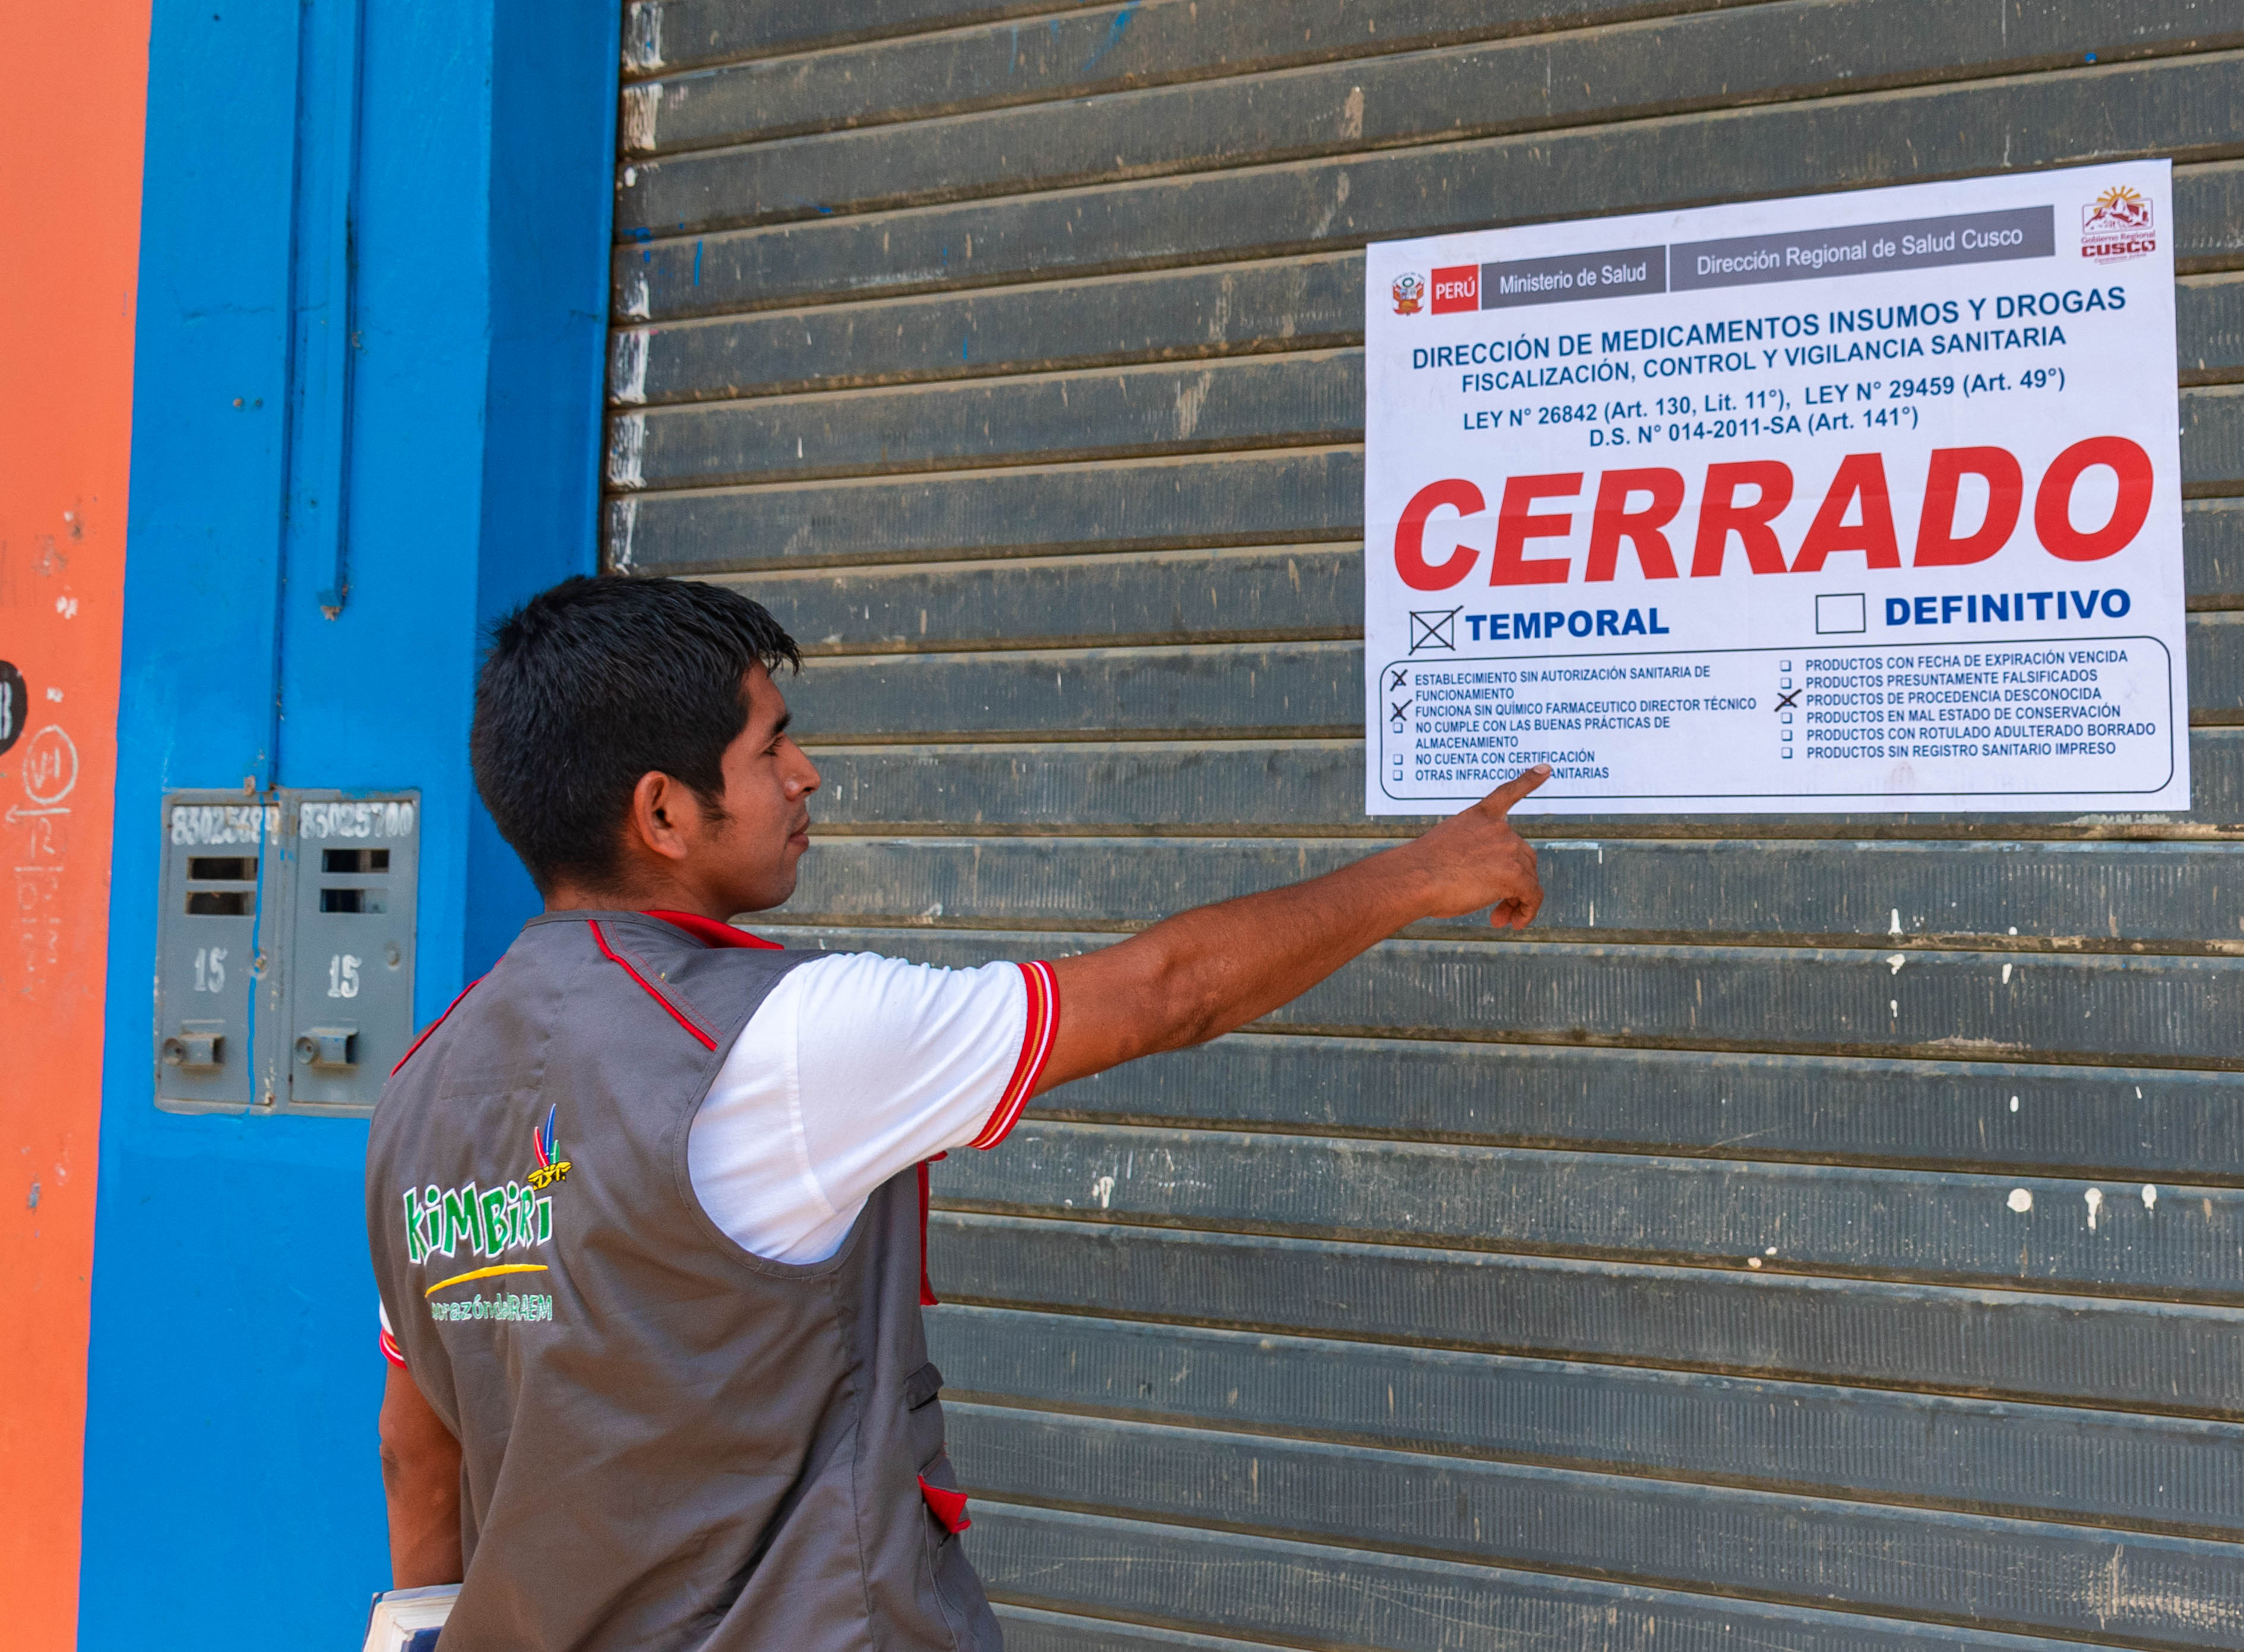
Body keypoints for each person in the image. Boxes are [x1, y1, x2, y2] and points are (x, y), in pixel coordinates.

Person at [369, 574, 1547, 1651]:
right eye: (770, 744)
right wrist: (1430, 871)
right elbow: (1164, 994)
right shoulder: (778, 1039)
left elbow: (419, 1454)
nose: (804, 775)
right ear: (664, 812)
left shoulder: (422, 1088)